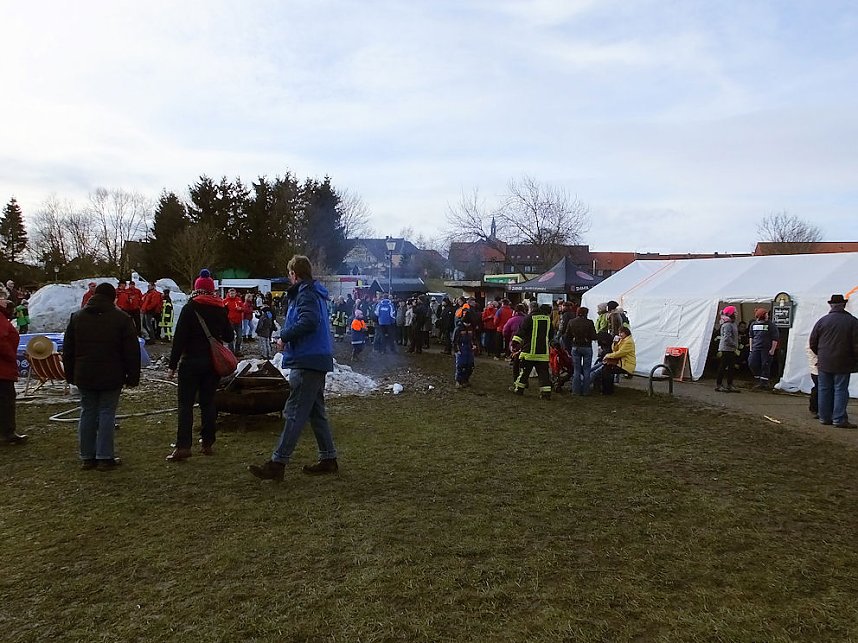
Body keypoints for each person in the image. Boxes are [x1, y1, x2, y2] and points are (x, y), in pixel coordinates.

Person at [250, 255, 338, 481]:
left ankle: (278, 463)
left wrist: (285, 336)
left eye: (289, 273)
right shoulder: (314, 293)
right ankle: (329, 459)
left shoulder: (305, 293)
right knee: (316, 412)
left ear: (294, 274)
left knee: (294, 411)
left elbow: (309, 321)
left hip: (307, 359)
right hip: (317, 357)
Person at [63, 282, 141, 468]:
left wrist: (70, 374)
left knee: (87, 411)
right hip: (112, 374)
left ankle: (87, 456)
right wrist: (133, 376)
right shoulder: (121, 319)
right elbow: (131, 351)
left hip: (84, 373)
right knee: (107, 412)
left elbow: (68, 350)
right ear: (113, 297)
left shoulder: (77, 318)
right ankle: (105, 456)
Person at [166, 269, 234, 461]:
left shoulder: (190, 308)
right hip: (212, 364)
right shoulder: (220, 307)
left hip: (190, 363)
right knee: (208, 402)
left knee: (185, 405)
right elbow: (229, 336)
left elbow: (179, 338)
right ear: (212, 290)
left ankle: (183, 446)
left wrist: (172, 366)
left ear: (196, 289)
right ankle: (207, 442)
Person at [809, 294, 858, 428]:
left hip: (824, 361)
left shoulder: (822, 321)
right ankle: (839, 419)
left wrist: (821, 354)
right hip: (843, 361)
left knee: (824, 389)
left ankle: (824, 417)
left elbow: (812, 342)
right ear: (844, 305)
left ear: (831, 305)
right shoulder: (852, 321)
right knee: (840, 389)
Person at [0, 287, 27, 444]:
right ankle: (7, 433)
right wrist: (10, 355)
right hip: (3, 367)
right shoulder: (1, 320)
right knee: (6, 400)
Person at [511, 303, 553, 399]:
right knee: (544, 374)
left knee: (524, 373)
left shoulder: (529, 318)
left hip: (529, 352)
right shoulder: (548, 320)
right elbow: (551, 336)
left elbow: (521, 331)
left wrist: (515, 343)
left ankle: (519, 390)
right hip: (543, 354)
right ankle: (545, 393)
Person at [565, 306, 597, 395]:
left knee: (577, 370)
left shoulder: (571, 322)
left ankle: (576, 391)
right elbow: (594, 336)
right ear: (586, 313)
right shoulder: (589, 322)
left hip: (575, 346)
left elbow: (567, 336)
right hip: (587, 347)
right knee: (587, 370)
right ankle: (586, 391)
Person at [748, 308, 779, 390]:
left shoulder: (771, 325)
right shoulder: (753, 324)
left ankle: (764, 382)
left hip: (766, 349)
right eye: (766, 314)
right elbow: (751, 336)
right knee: (752, 363)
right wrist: (751, 349)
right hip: (755, 348)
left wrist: (772, 349)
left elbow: (775, 338)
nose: (767, 316)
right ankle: (759, 378)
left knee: (765, 364)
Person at [600, 326, 637, 395]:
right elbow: (615, 350)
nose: (620, 334)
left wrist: (607, 355)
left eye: (621, 333)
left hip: (627, 365)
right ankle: (607, 390)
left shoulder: (628, 342)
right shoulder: (623, 340)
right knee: (606, 368)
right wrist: (615, 343)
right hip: (621, 363)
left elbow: (619, 353)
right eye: (619, 333)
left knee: (606, 370)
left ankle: (607, 390)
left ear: (626, 333)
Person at [714, 306, 740, 393]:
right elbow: (726, 338)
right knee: (723, 367)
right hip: (726, 349)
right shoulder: (727, 325)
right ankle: (719, 385)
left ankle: (730, 384)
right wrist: (734, 345)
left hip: (731, 349)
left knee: (731, 367)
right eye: (735, 312)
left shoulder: (732, 324)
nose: (736, 314)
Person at [452, 316, 476, 388]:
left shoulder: (471, 328)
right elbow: (455, 341)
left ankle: (465, 379)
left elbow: (473, 338)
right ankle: (459, 381)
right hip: (461, 349)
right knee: (460, 365)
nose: (468, 325)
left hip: (469, 348)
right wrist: (457, 350)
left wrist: (474, 345)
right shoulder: (458, 329)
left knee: (470, 366)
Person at [223, 287, 245, 356]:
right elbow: (222, 311)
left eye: (233, 293)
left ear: (235, 294)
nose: (232, 294)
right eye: (231, 293)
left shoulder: (239, 300)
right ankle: (231, 351)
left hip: (238, 321)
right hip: (230, 321)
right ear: (228, 293)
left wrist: (240, 308)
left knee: (239, 337)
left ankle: (237, 350)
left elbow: (244, 308)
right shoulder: (225, 301)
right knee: (231, 337)